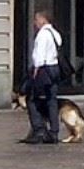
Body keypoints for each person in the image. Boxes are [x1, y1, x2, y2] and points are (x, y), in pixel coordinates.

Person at [22, 10, 63, 145]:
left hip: (44, 69)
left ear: (44, 20)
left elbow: (39, 55)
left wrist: (35, 71)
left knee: (32, 99)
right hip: (55, 68)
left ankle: (38, 129)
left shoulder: (42, 35)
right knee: (52, 100)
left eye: (37, 20)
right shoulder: (55, 33)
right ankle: (54, 132)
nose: (35, 23)